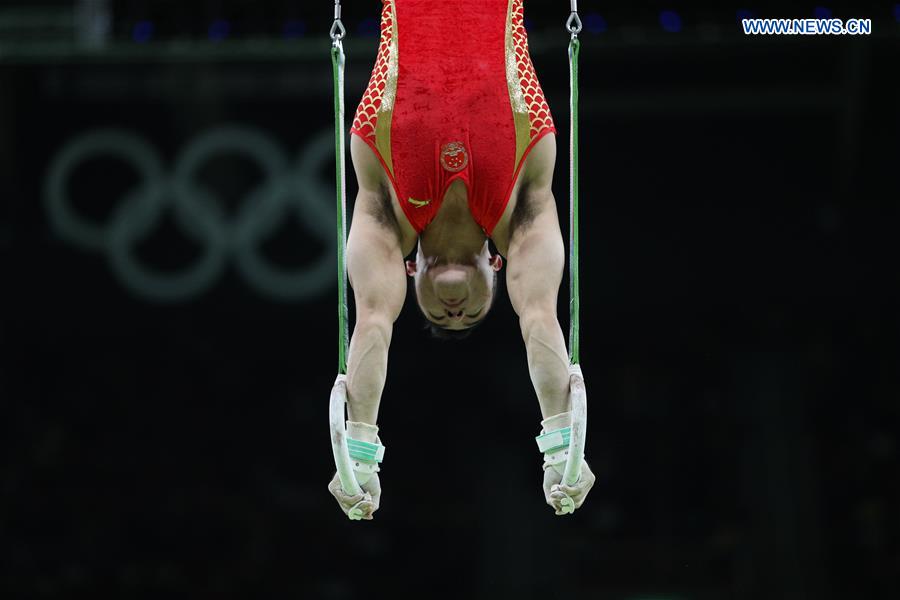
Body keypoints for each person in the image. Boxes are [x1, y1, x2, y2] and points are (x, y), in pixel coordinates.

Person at [328, 0, 595, 519]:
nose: (455, 311)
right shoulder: (522, 215)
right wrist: (563, 448)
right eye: (470, 313)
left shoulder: (386, 218)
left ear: (409, 273)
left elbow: (374, 322)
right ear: (498, 271)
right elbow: (538, 316)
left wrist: (357, 457)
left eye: (441, 314)